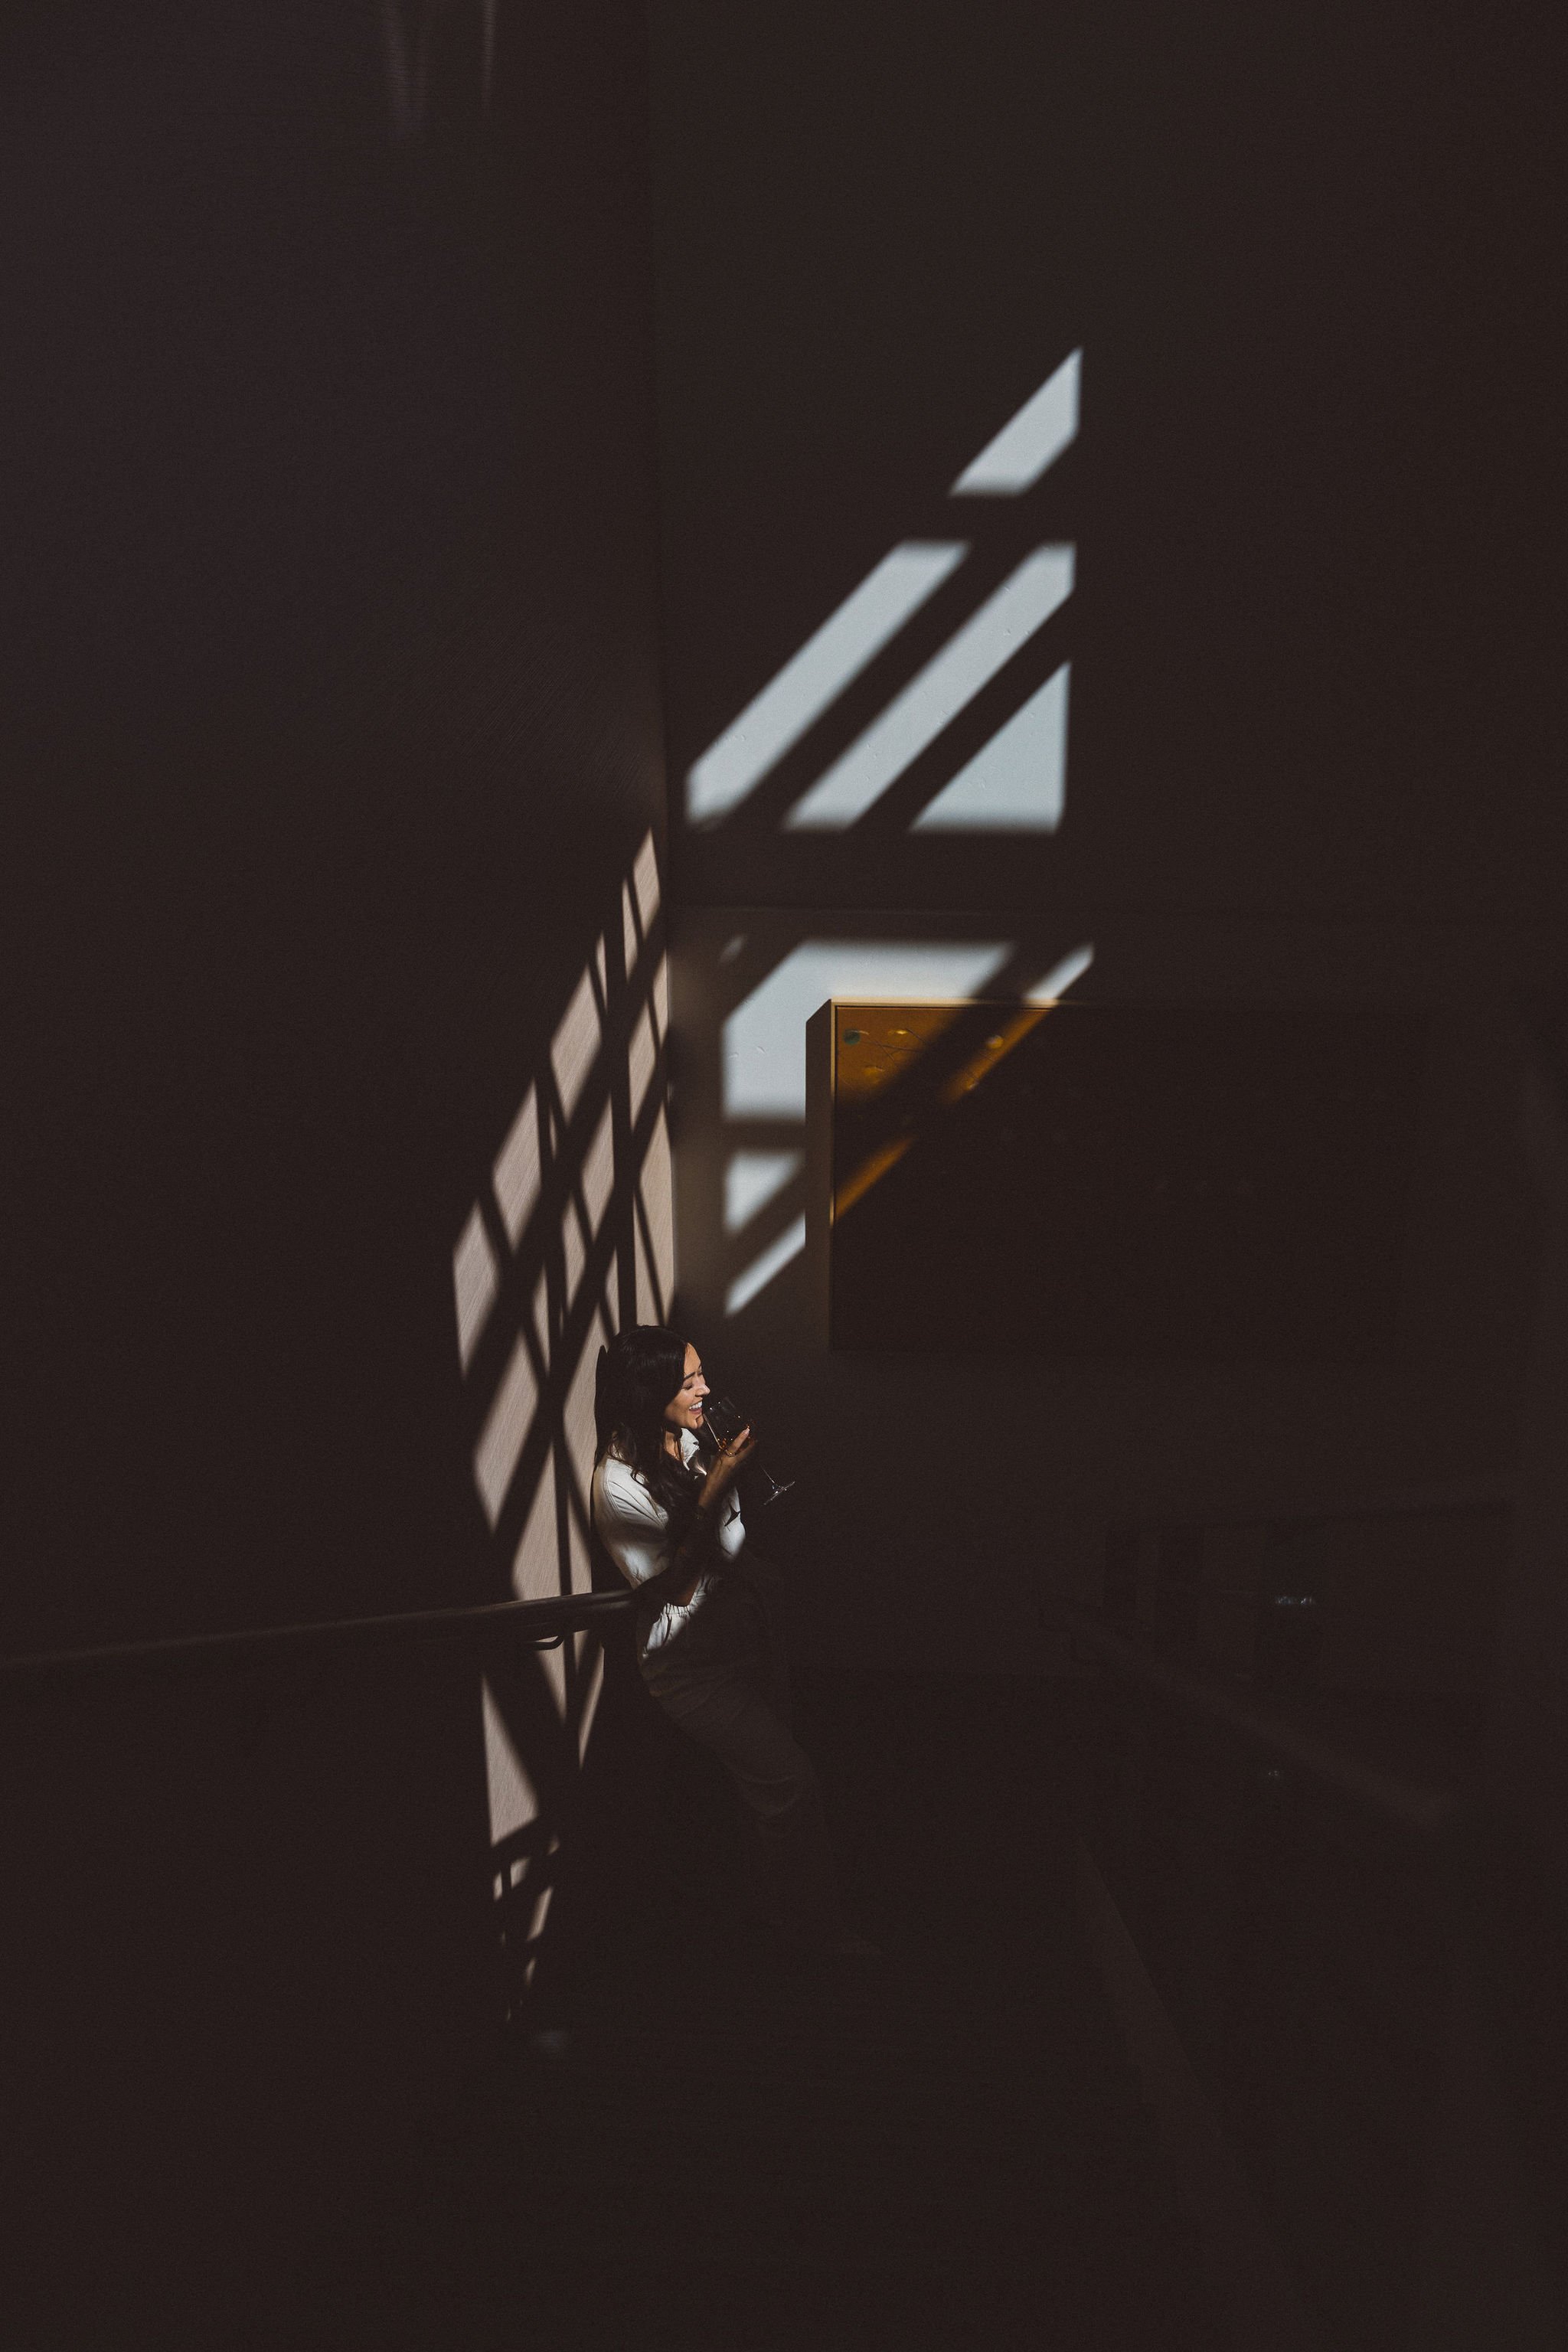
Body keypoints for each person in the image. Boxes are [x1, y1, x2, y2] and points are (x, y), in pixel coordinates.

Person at [590, 1324, 876, 1959]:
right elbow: (676, 1590)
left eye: (701, 1373)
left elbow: (726, 1536)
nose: (706, 1389)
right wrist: (718, 1482)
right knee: (791, 1782)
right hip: (690, 1668)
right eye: (689, 1380)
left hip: (745, 1635)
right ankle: (817, 1934)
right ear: (648, 1391)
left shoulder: (685, 1439)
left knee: (766, 1789)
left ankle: (776, 1915)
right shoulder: (617, 1487)